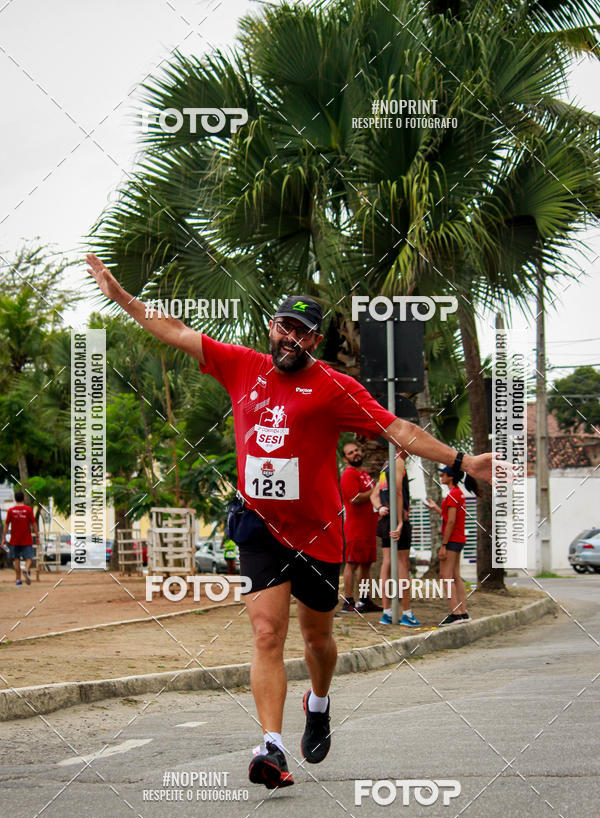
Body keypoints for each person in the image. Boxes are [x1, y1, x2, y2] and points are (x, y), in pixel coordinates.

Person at [87, 253, 495, 790]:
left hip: (319, 533)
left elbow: (397, 428)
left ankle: (319, 702)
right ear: (271, 328)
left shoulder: (333, 387)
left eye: (303, 333)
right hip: (257, 524)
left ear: (313, 340)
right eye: (285, 328)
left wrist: (461, 462)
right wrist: (121, 298)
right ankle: (272, 748)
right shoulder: (241, 366)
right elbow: (177, 329)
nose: (291, 339)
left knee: (319, 640)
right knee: (265, 633)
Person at [370, 449, 420, 627]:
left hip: (385, 518)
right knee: (402, 564)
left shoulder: (386, 465)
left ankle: (387, 612)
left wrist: (379, 508)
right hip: (397, 518)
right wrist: (399, 522)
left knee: (387, 563)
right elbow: (398, 492)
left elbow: (374, 495)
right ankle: (406, 613)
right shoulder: (398, 462)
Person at [425, 466, 479, 625]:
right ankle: (463, 612)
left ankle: (455, 613)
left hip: (452, 540)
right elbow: (450, 517)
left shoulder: (453, 494)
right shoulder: (458, 493)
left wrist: (444, 545)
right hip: (458, 538)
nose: (441, 476)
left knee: (445, 576)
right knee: (455, 576)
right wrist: (436, 507)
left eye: (443, 473)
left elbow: (451, 521)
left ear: (450, 476)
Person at [339, 442, 382, 614]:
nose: (355, 453)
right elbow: (355, 498)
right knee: (352, 563)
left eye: (357, 450)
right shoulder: (349, 474)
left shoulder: (363, 474)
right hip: (355, 528)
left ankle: (364, 600)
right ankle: (348, 601)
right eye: (351, 453)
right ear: (345, 458)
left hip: (369, 527)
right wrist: (375, 490)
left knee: (366, 565)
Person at [4, 490, 39, 585]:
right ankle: (26, 570)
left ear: (15, 499)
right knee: (29, 558)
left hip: (14, 540)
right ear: (23, 498)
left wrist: (3, 538)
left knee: (16, 559)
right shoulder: (28, 510)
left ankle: (18, 580)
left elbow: (6, 525)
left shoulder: (11, 511)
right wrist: (37, 535)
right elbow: (34, 523)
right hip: (26, 539)